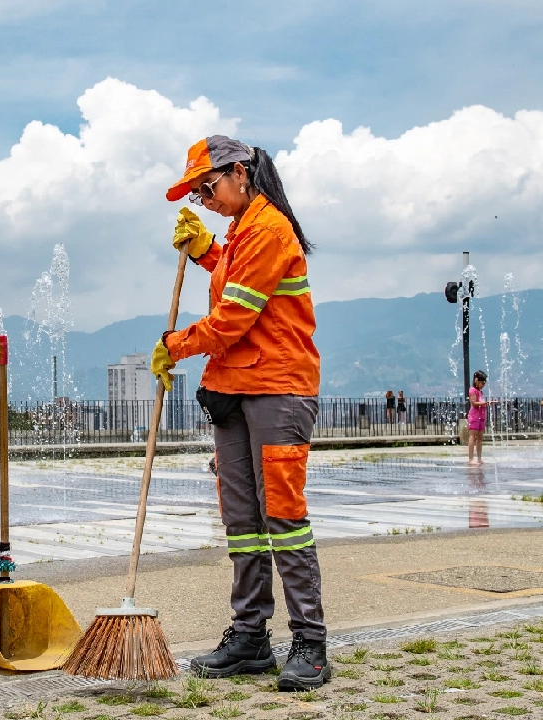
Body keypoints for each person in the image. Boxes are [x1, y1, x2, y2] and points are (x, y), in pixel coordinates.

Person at [151, 135, 329, 690]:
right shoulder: (242, 233)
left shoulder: (271, 228)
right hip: (233, 389)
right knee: (243, 521)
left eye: (210, 187)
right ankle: (250, 637)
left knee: (283, 519)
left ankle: (311, 644)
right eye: (199, 194)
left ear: (241, 173)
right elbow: (234, 274)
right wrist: (207, 249)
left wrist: (174, 345)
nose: (206, 198)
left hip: (278, 388)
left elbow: (234, 317)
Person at [467, 370, 491, 465]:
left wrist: (486, 404)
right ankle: (470, 458)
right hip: (474, 417)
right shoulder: (472, 390)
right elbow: (474, 403)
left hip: (481, 417)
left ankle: (479, 458)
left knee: (480, 437)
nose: (483, 385)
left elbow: (480, 403)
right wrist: (484, 403)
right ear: (476, 380)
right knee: (473, 437)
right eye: (482, 383)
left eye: (484, 383)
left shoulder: (480, 392)